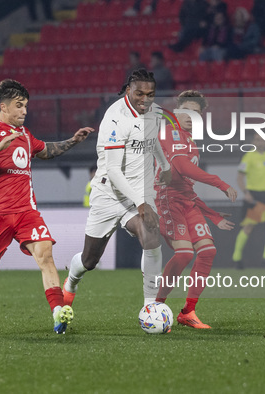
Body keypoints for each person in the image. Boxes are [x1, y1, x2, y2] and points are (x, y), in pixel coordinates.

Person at [0, 79, 94, 334]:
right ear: (3, 107)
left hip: (26, 211)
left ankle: (58, 313)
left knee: (46, 255)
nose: (24, 111)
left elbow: (47, 150)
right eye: (19, 105)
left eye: (26, 105)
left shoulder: (26, 136)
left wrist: (73, 140)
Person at [63, 69, 172, 312]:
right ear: (128, 91)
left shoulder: (154, 112)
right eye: (139, 94)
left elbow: (152, 141)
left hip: (139, 193)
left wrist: (164, 165)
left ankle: (150, 308)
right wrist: (141, 204)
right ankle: (71, 281)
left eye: (151, 94)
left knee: (152, 236)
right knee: (89, 261)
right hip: (109, 194)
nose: (145, 100)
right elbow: (113, 170)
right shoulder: (114, 118)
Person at [154, 90, 237, 328]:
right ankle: (157, 305)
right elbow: (181, 167)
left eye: (197, 113)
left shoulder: (190, 140)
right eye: (187, 111)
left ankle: (187, 312)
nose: (192, 116)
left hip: (186, 201)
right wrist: (220, 183)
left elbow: (187, 186)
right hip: (167, 199)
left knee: (208, 252)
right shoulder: (169, 132)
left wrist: (212, 215)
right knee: (184, 254)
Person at [232, 134, 265, 269]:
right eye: (257, 139)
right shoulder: (248, 157)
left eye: (262, 140)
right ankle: (237, 258)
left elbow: (263, 174)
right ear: (253, 142)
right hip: (254, 195)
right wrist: (246, 193)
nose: (260, 142)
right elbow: (239, 178)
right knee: (248, 227)